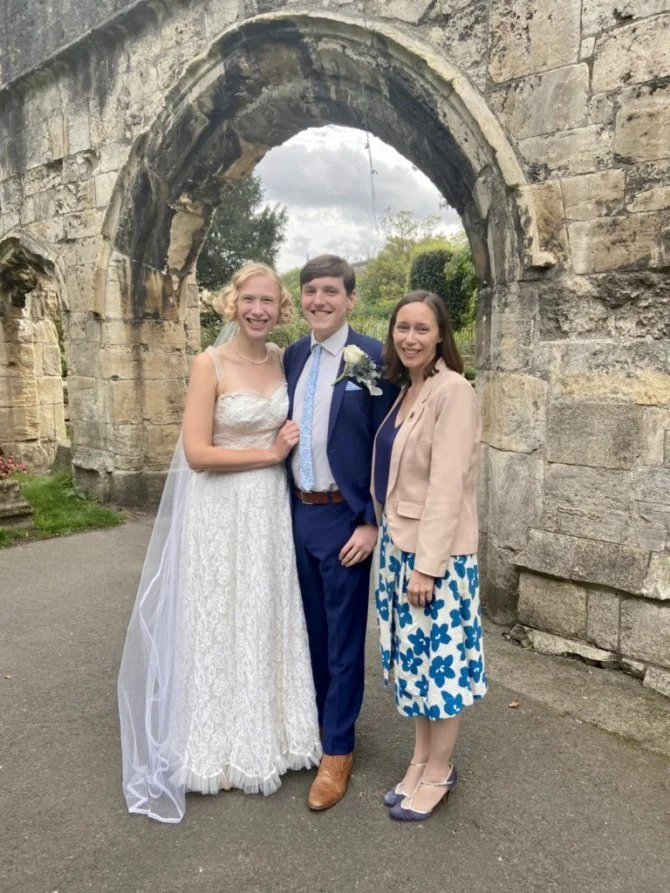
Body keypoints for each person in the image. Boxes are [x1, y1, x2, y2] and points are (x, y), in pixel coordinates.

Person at [117, 262, 321, 823]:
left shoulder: (284, 358)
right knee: (217, 615)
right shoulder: (208, 364)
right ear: (232, 304)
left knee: (263, 612)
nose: (259, 310)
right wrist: (269, 454)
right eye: (249, 300)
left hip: (267, 513)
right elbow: (199, 454)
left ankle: (274, 733)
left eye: (269, 302)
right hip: (220, 506)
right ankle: (217, 747)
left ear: (280, 308)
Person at [283, 255, 397, 811]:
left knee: (344, 638)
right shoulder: (293, 355)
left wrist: (372, 522)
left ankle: (338, 750)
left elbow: (388, 443)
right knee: (308, 632)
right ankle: (317, 725)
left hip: (345, 519)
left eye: (331, 291)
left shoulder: (372, 357)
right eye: (310, 291)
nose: (319, 301)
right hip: (295, 513)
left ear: (350, 298)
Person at [371, 290, 487, 822]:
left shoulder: (453, 391)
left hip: (434, 559)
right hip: (402, 550)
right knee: (415, 667)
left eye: (421, 329)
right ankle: (420, 759)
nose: (409, 338)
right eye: (402, 327)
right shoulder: (408, 389)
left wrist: (426, 566)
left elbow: (447, 486)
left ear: (441, 333)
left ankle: (441, 769)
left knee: (441, 670)